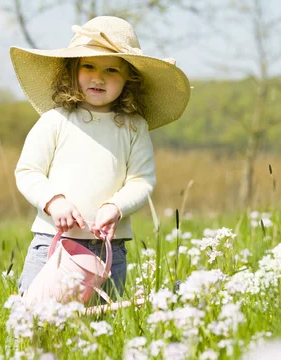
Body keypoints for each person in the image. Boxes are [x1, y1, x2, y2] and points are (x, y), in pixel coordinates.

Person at [10, 16, 190, 299]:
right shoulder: (55, 121)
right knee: (36, 315)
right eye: (88, 66)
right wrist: (54, 202)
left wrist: (116, 207)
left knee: (99, 322)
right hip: (52, 242)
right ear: (72, 70)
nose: (98, 77)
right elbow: (29, 172)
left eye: (111, 70)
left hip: (109, 246)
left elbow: (142, 180)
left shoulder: (133, 127)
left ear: (129, 79)